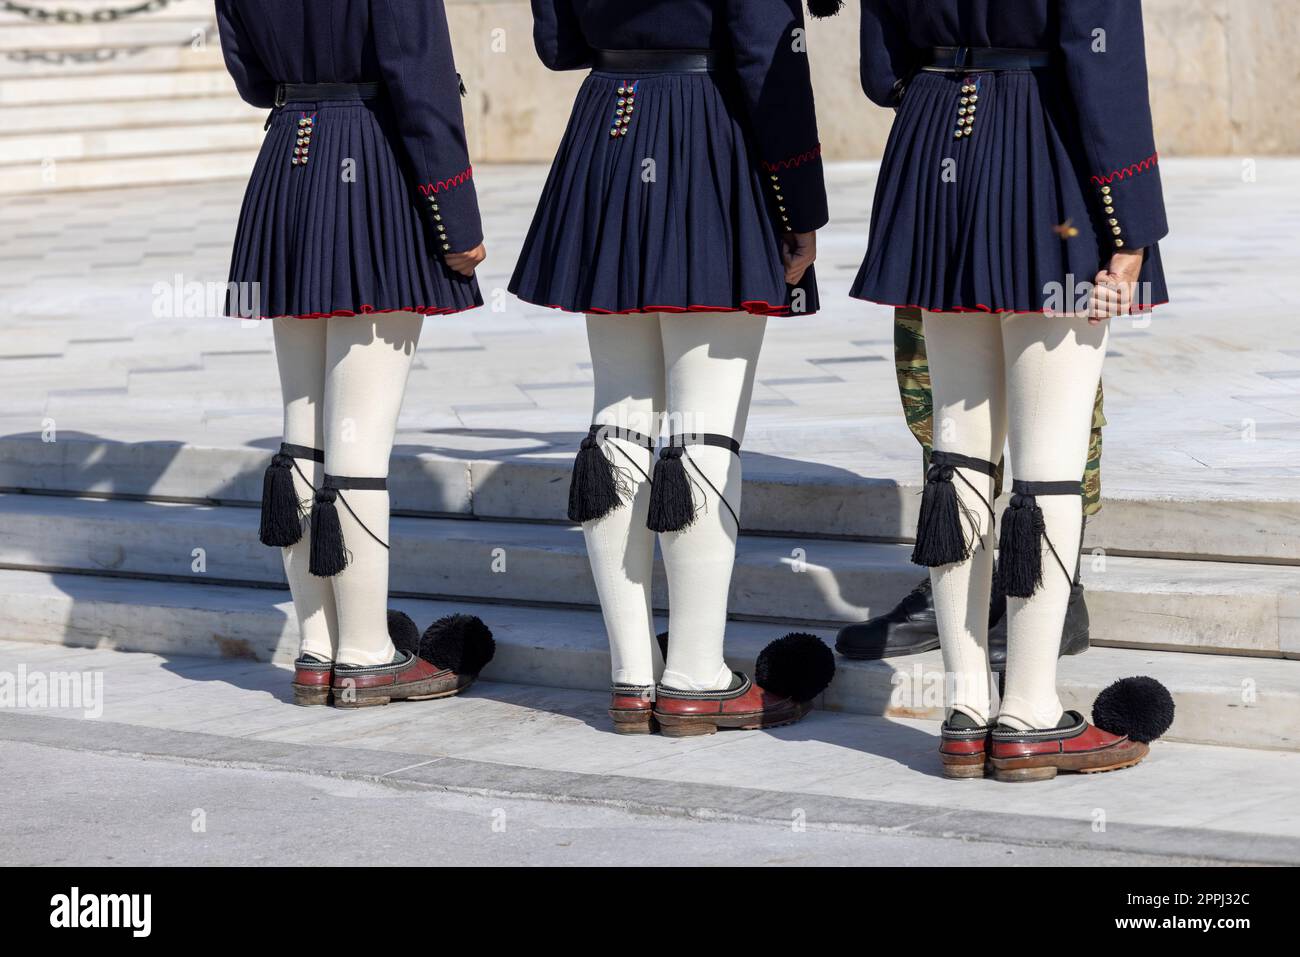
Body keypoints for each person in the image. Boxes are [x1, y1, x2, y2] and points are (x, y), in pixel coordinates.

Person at [846, 0, 1169, 780]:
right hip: (1047, 155)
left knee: (958, 455)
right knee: (1049, 457)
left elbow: (880, 69)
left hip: (933, 149)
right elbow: (1103, 59)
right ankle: (1027, 711)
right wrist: (1132, 225)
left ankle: (965, 709)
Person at [510, 0, 836, 736]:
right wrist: (800, 201)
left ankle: (632, 675)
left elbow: (559, 45)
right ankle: (694, 674)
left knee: (617, 418)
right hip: (704, 133)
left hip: (609, 128)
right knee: (703, 430)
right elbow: (762, 48)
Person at [217, 0, 495, 708]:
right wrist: (456, 213)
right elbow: (420, 77)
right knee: (357, 441)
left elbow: (250, 75)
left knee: (303, 433)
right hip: (369, 163)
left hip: (288, 160)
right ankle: (368, 652)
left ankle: (317, 650)